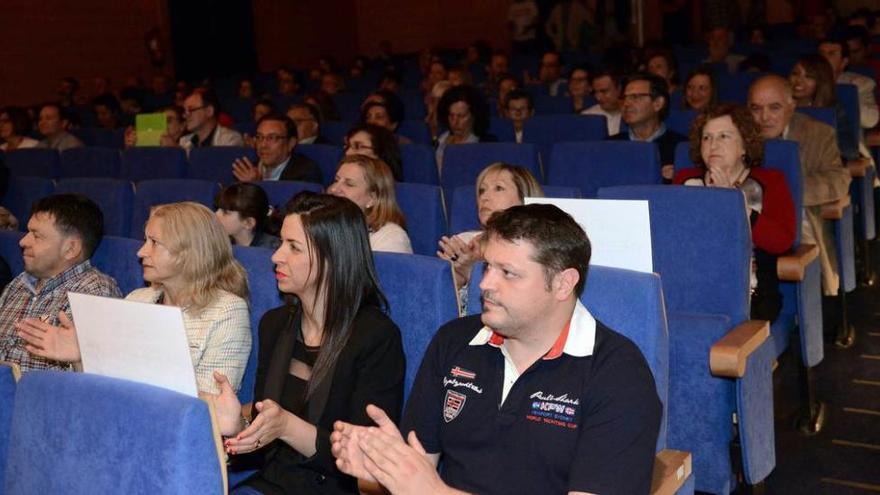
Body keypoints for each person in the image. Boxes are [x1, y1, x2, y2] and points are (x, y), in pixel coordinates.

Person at [332, 203, 662, 495]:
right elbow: (417, 470)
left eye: (508, 273)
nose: (485, 283)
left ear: (562, 283)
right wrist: (385, 468)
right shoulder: (454, 341)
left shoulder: (618, 374)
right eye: (487, 267)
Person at [209, 193, 405, 494]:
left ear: (332, 258)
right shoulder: (275, 324)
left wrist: (287, 427)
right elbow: (266, 439)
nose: (276, 256)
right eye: (280, 244)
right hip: (272, 483)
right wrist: (237, 424)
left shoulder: (376, 337)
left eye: (294, 247)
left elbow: (367, 461)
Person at [16, 202, 252, 394]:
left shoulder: (227, 311)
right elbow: (102, 391)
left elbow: (210, 409)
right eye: (144, 241)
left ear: (190, 252)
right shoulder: (137, 299)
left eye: (154, 243)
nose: (141, 252)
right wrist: (82, 358)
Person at [674, 103, 796, 321]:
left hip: (751, 295)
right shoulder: (685, 180)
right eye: (706, 137)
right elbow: (674, 240)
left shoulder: (770, 181)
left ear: (744, 147)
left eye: (724, 136)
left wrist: (734, 205)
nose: (713, 145)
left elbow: (782, 241)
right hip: (691, 290)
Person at [747, 75, 851, 297]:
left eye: (774, 108)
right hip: (751, 226)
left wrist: (790, 192)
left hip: (801, 223)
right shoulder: (739, 136)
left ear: (791, 106)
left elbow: (840, 180)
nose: (764, 117)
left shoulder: (817, 134)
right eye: (756, 109)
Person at [0, 194, 121, 373]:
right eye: (27, 232)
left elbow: (88, 379)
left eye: (37, 236)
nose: (23, 241)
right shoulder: (19, 283)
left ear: (71, 249)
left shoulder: (92, 292)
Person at [438, 163, 543, 311]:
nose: (485, 197)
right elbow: (437, 310)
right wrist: (456, 279)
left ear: (524, 198)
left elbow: (522, 311)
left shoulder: (536, 249)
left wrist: (473, 273)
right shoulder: (463, 241)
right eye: (482, 191)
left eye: (498, 188)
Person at [327, 155, 412, 254]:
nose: (333, 189)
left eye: (349, 184)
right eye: (336, 180)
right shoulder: (324, 224)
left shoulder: (390, 238)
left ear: (372, 199)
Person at [612, 72, 686, 181]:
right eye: (624, 98)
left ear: (658, 103)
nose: (626, 104)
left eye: (635, 97)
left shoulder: (680, 148)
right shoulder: (611, 146)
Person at [818, 36, 879, 160]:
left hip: (849, 153)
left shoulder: (860, 83)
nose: (824, 59)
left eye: (831, 54)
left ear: (844, 62)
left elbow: (871, 120)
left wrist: (831, 90)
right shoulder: (803, 85)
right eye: (821, 54)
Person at [789, 55, 860, 161]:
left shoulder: (833, 108)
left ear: (821, 82)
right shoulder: (778, 105)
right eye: (795, 74)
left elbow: (849, 150)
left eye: (809, 76)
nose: (798, 81)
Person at [232, 113, 322, 184]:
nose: (263, 145)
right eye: (259, 137)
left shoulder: (305, 172)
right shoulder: (249, 170)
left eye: (272, 138)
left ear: (291, 143)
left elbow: (293, 206)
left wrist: (258, 186)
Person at [435, 85, 493, 169]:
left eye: (461, 116)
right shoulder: (441, 139)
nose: (455, 122)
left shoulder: (485, 144)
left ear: (474, 116)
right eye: (451, 116)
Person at [215, 183, 281, 249]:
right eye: (217, 208)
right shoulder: (219, 242)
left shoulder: (271, 250)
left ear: (248, 223)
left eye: (225, 212)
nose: (216, 214)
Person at [179, 89, 244, 152]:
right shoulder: (184, 142)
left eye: (191, 110)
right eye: (185, 111)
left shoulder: (230, 139)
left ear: (209, 111)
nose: (185, 116)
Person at [582, 68, 623, 136]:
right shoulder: (586, 117)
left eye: (604, 91)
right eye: (595, 92)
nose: (598, 97)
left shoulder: (634, 114)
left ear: (619, 89)